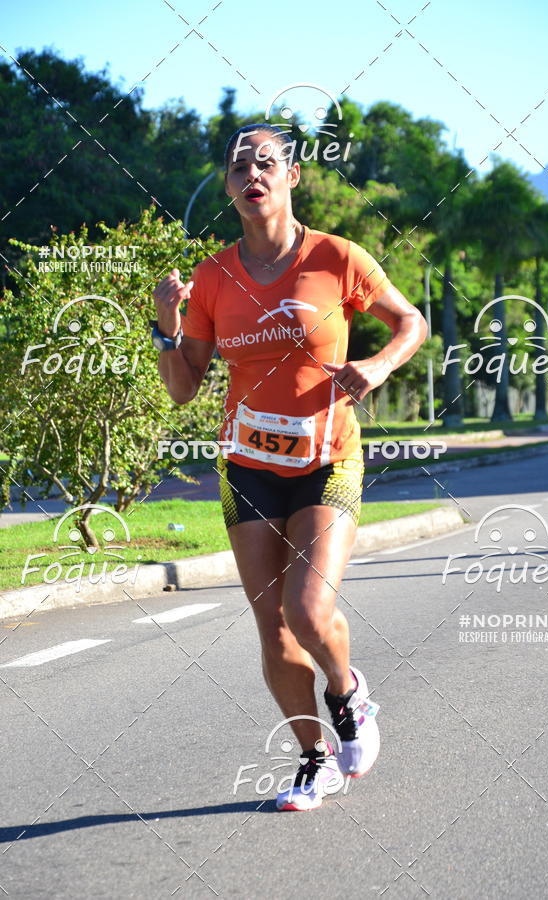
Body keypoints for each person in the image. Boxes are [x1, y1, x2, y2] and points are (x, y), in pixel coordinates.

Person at [152, 123, 427, 811]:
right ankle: (312, 760)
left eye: (266, 162)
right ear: (227, 184)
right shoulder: (214, 277)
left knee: (308, 610)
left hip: (327, 456)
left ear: (292, 176)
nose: (253, 173)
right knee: (272, 627)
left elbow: (411, 322)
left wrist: (377, 365)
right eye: (239, 164)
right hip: (247, 462)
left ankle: (349, 694)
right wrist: (165, 325)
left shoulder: (337, 257)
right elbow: (184, 385)